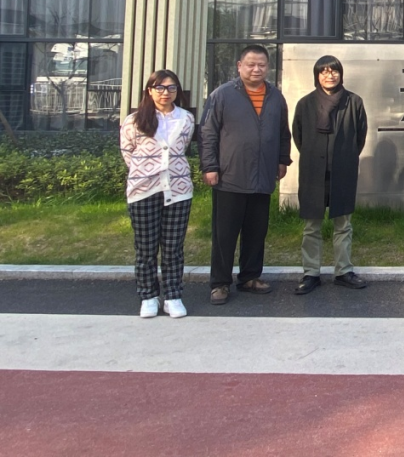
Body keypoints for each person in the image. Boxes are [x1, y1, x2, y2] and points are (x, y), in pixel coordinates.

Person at [200, 44, 292, 306]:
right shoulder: (222, 95)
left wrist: (282, 160)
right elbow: (207, 133)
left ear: (268, 67)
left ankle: (250, 276)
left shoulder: (276, 97)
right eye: (251, 64)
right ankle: (220, 283)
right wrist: (210, 166)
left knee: (256, 231)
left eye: (262, 65)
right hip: (230, 176)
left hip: (263, 175)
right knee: (224, 234)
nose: (256, 69)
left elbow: (283, 133)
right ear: (239, 66)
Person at [120, 69, 196, 319]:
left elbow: (182, 148)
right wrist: (145, 172)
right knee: (146, 248)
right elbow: (128, 152)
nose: (166, 93)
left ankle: (173, 295)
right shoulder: (134, 120)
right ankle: (148, 296)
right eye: (160, 88)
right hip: (143, 190)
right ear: (150, 90)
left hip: (178, 190)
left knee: (173, 247)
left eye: (171, 88)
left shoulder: (186, 118)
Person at [292, 55, 369, 295]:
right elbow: (298, 136)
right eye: (324, 71)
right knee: (311, 226)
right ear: (317, 76)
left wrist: (345, 156)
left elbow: (360, 136)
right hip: (313, 172)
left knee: (343, 224)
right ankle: (311, 273)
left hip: (343, 171)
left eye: (334, 71)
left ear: (341, 74)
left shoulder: (353, 102)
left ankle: (343, 271)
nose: (330, 75)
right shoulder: (306, 103)